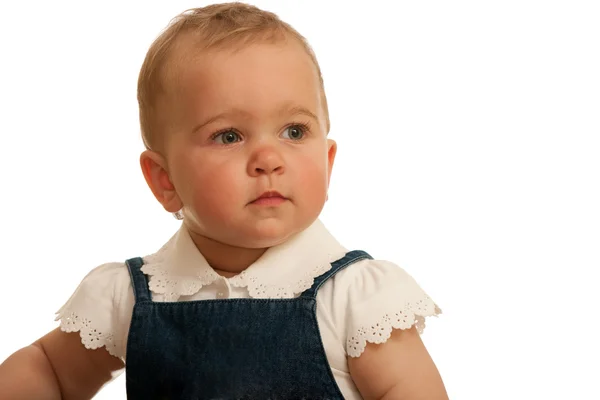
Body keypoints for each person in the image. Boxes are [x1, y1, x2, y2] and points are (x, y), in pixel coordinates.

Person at [0, 3, 448, 399]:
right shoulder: (133, 298)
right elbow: (49, 370)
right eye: (228, 136)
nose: (269, 159)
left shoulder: (354, 299)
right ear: (164, 180)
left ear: (328, 160)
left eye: (294, 131)